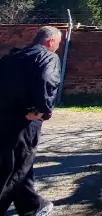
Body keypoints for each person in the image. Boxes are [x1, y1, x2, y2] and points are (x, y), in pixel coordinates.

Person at [0, 26, 62, 216]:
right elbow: (47, 79)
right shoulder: (48, 57)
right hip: (25, 121)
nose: (58, 48)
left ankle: (32, 206)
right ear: (51, 41)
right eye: (58, 44)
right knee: (13, 170)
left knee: (19, 162)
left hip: (3, 118)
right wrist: (42, 110)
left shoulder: (12, 57)